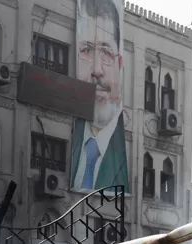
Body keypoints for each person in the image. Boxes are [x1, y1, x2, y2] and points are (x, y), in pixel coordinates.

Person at [70, 0, 128, 192]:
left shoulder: (121, 154)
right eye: (86, 50)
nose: (96, 70)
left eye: (106, 52)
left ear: (119, 65)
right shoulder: (72, 138)